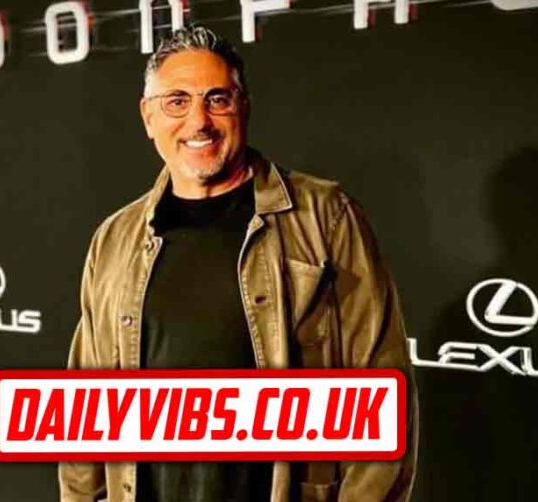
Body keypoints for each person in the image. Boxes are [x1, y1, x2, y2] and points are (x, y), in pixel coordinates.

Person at [58, 25, 418, 502]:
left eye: (217, 99)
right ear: (148, 116)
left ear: (243, 106)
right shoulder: (114, 239)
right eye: (177, 101)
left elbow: (384, 397)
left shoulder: (326, 217)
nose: (199, 121)